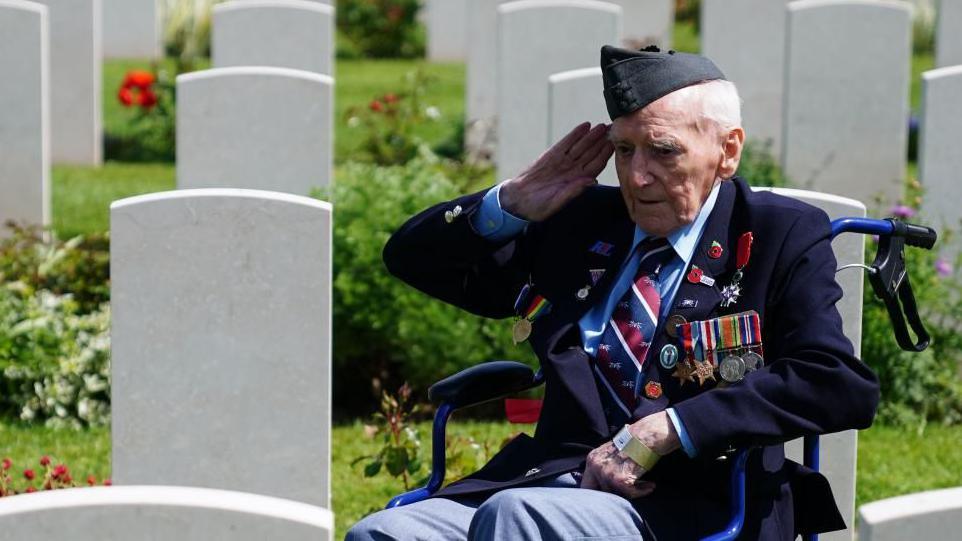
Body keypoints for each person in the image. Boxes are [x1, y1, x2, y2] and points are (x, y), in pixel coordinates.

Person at [347, 45, 880, 540]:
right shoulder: (582, 224)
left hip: (686, 501)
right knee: (382, 533)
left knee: (516, 516)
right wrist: (510, 202)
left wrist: (669, 428)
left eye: (663, 151)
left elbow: (834, 382)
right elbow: (412, 259)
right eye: (623, 150)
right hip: (548, 478)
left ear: (727, 151)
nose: (637, 176)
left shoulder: (773, 234)